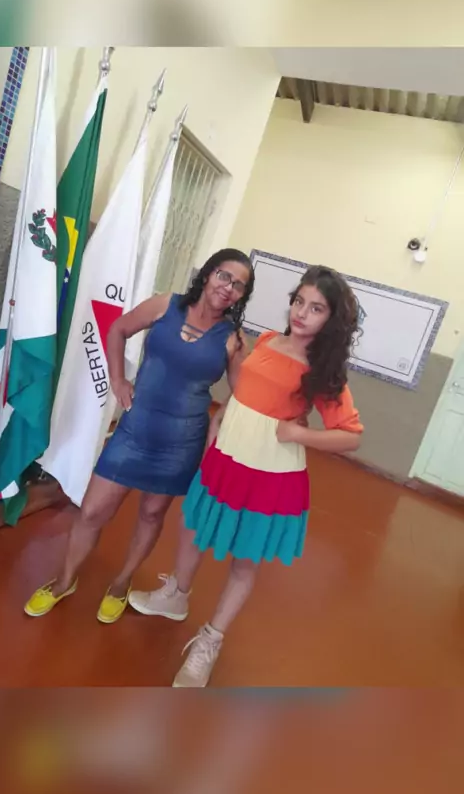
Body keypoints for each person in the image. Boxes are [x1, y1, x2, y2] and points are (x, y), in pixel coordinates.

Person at [129, 265, 364, 687]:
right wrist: (223, 413)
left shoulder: (323, 371)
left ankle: (210, 640)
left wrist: (300, 434)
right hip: (227, 455)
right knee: (193, 524)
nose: (301, 313)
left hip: (270, 470)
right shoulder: (270, 340)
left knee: (245, 559)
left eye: (316, 308)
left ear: (331, 319)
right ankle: (176, 596)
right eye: (299, 302)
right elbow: (248, 389)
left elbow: (351, 437)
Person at [24, 248, 255, 621]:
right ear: (209, 274)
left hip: (181, 443)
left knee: (151, 514)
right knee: (92, 510)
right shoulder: (167, 305)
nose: (228, 287)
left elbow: (244, 393)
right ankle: (64, 580)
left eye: (239, 285)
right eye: (224, 276)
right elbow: (118, 329)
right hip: (135, 429)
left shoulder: (233, 340)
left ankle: (121, 583)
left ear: (242, 295)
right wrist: (118, 379)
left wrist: (218, 422)